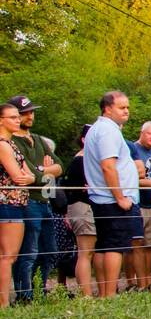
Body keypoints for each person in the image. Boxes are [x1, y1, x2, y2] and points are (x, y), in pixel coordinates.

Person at [84, 91, 142, 299]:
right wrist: (120, 198)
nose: (126, 111)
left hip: (105, 198)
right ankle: (109, 294)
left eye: (127, 107)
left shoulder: (100, 128)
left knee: (105, 246)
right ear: (108, 108)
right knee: (114, 247)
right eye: (121, 107)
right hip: (112, 200)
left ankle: (105, 292)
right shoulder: (107, 131)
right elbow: (108, 166)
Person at [7, 94, 62, 302]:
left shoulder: (38, 139)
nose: (30, 116)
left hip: (45, 200)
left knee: (49, 251)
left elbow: (59, 166)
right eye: (24, 113)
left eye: (31, 111)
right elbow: (25, 176)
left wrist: (41, 171)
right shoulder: (12, 142)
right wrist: (44, 171)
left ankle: (40, 291)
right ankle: (25, 296)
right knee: (28, 252)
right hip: (27, 202)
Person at [0, 102, 36, 307]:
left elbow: (29, 175)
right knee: (8, 256)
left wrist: (28, 177)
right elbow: (17, 176)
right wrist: (27, 177)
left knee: (8, 256)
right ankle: (3, 302)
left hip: (15, 202)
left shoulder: (12, 144)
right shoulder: (3, 145)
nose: (18, 120)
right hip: (8, 202)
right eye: (12, 117)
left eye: (17, 116)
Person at [61, 124, 97, 296]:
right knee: (85, 252)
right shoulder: (80, 161)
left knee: (91, 252)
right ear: (84, 139)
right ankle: (86, 294)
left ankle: (93, 290)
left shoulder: (89, 160)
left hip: (88, 207)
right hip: (82, 208)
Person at [130, 120, 151, 290]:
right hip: (138, 203)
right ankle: (136, 283)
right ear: (142, 133)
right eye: (150, 134)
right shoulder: (134, 150)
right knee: (137, 246)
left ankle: (147, 281)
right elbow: (131, 179)